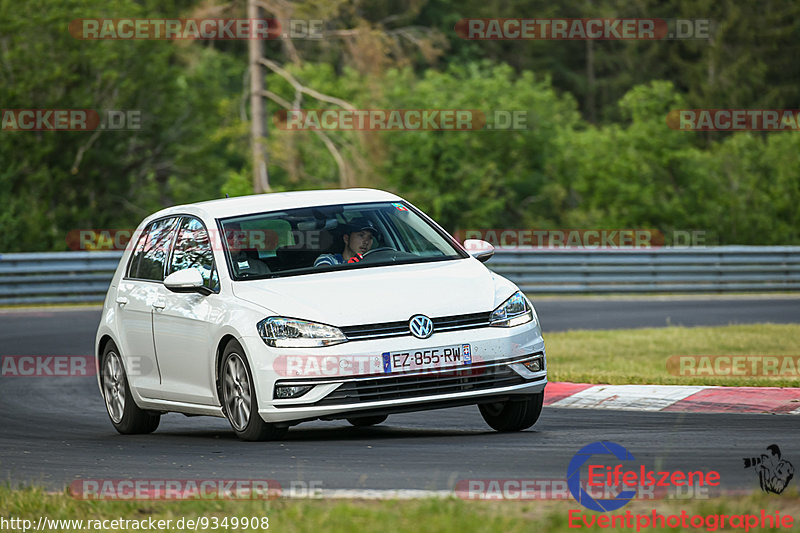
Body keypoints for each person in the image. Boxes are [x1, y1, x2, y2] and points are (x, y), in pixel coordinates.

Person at [314, 218, 379, 267]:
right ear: (346, 238)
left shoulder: (373, 262)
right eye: (361, 235)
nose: (366, 242)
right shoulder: (328, 259)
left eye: (370, 237)